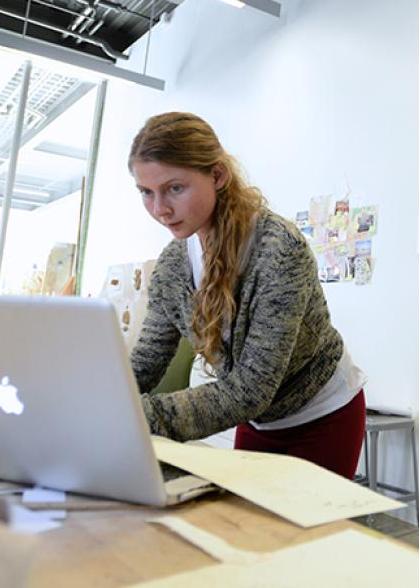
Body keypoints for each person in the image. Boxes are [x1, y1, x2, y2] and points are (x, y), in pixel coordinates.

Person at [127, 112, 366, 479]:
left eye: (175, 188)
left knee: (303, 534)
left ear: (218, 176)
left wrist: (135, 416)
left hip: (323, 415)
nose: (160, 209)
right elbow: (146, 361)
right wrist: (100, 399)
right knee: (250, 531)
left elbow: (251, 389)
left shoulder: (278, 251)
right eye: (146, 192)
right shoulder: (173, 266)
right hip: (259, 419)